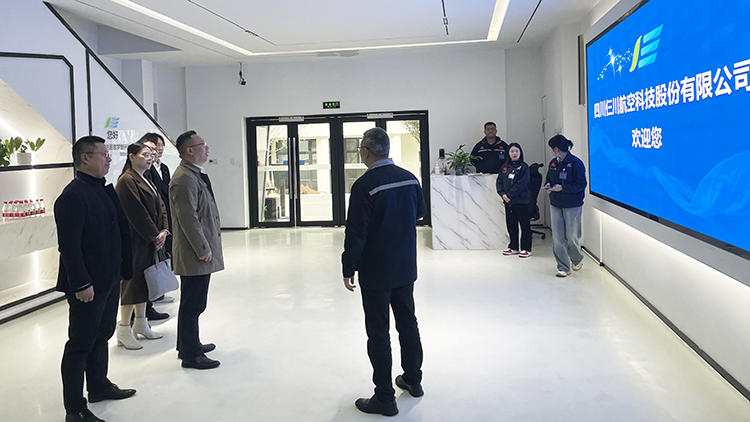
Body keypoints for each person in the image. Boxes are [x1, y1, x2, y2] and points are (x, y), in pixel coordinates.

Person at [342, 127, 426, 417]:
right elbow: (419, 212)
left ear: (366, 152)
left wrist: (349, 266)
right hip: (405, 266)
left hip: (376, 271)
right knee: (408, 323)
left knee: (378, 332)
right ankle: (413, 380)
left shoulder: (364, 185)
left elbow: (357, 233)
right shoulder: (410, 178)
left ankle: (384, 398)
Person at [55, 136, 136, 422]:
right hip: (87, 284)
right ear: (85, 158)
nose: (109, 159)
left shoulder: (101, 190)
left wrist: (120, 273)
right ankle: (74, 408)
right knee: (80, 344)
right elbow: (69, 246)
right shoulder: (73, 196)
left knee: (102, 335)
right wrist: (81, 284)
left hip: (108, 278)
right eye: (103, 154)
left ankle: (99, 386)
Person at [170, 130, 224, 370]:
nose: (207, 148)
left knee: (193, 302)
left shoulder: (193, 174)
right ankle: (191, 354)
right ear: (189, 150)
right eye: (202, 144)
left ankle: (188, 345)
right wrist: (202, 248)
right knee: (193, 304)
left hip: (199, 250)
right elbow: (188, 218)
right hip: (194, 252)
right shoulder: (184, 179)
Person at [114, 143, 170, 349]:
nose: (150, 157)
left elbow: (161, 206)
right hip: (136, 241)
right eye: (145, 154)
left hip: (150, 239)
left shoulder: (146, 177)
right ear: (131, 156)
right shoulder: (126, 180)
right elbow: (137, 213)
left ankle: (141, 322)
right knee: (132, 283)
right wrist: (154, 235)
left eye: (151, 154)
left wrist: (164, 230)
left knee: (144, 282)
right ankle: (124, 328)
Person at [544, 134, 587, 277]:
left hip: (572, 204)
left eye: (552, 148)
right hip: (556, 203)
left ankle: (577, 258)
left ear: (556, 149)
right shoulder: (553, 163)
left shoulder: (575, 163)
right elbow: (549, 179)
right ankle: (563, 267)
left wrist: (563, 188)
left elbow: (581, 184)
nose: (551, 151)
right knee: (557, 237)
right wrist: (548, 185)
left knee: (571, 236)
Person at [496, 142, 532, 257]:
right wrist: (503, 194)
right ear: (508, 153)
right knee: (511, 225)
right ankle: (513, 247)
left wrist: (510, 195)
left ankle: (526, 248)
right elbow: (499, 182)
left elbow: (521, 184)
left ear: (520, 153)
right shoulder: (505, 167)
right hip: (508, 202)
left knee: (524, 225)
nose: (514, 153)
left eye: (516, 151)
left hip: (521, 201)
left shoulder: (524, 167)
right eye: (512, 151)